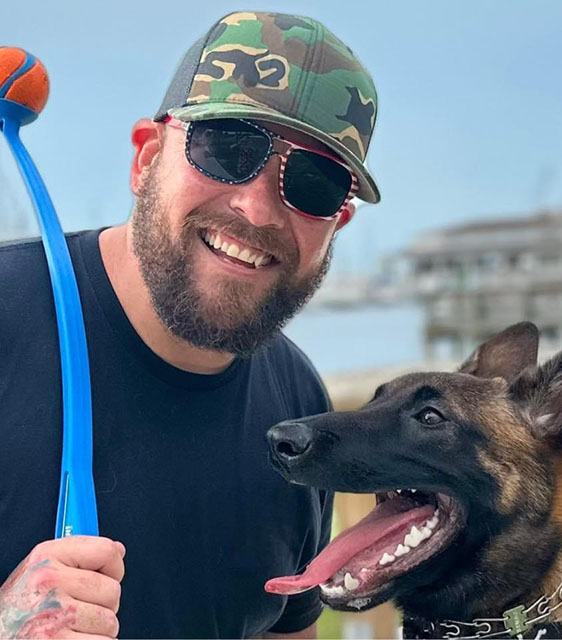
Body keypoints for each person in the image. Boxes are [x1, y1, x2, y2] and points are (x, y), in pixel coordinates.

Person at [0, 11, 380, 639]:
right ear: (146, 160)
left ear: (335, 224)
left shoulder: (296, 406)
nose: (256, 207)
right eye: (226, 149)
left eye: (312, 182)